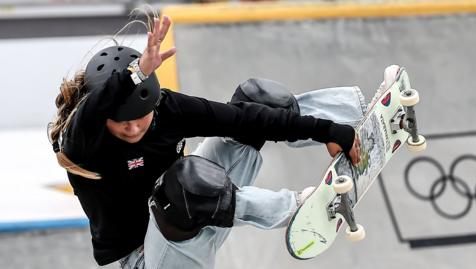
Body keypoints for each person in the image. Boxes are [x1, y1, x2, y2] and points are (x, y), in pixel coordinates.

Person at [48, 15, 361, 266]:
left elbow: (243, 118)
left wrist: (327, 131)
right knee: (181, 184)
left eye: (139, 118)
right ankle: (298, 208)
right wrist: (135, 74)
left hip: (197, 215)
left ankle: (352, 115)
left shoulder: (168, 108)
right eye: (122, 123)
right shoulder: (83, 141)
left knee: (257, 101)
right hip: (148, 257)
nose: (132, 130)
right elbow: (89, 112)